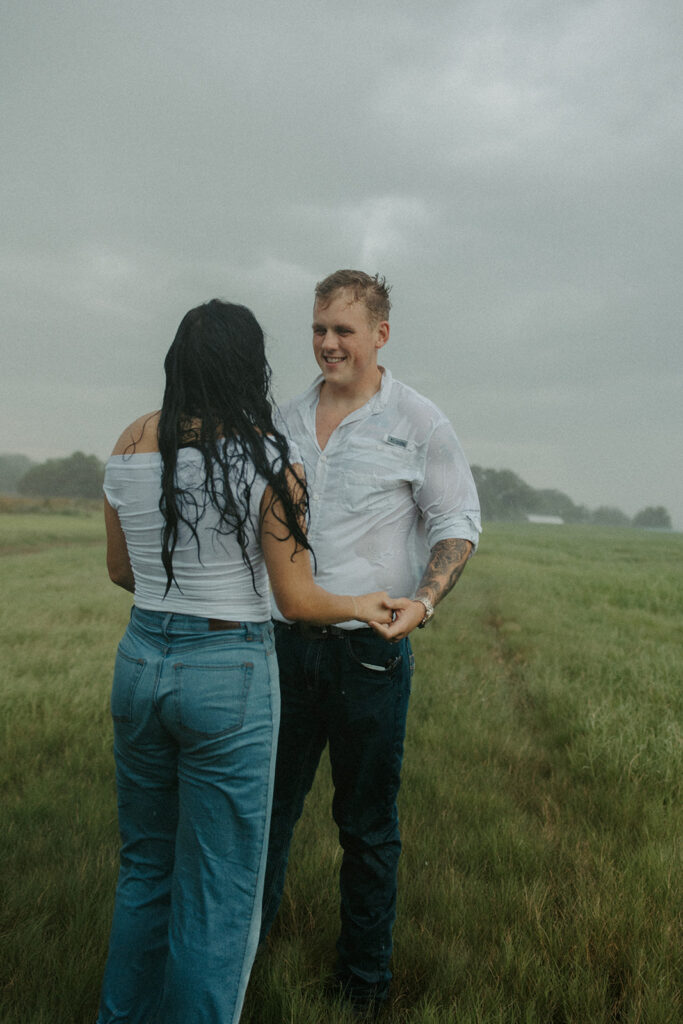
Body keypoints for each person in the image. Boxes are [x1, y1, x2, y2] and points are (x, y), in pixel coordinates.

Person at [96, 299, 395, 1024]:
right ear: (247, 367)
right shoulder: (267, 457)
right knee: (221, 886)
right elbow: (295, 601)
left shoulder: (132, 442)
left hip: (140, 661)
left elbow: (121, 571)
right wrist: (364, 603)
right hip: (225, 671)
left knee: (145, 870)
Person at [260, 270, 481, 1015]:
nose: (326, 342)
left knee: (366, 828)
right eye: (319, 327)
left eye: (342, 330)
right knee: (265, 814)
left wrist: (422, 602)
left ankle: (362, 987)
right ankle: (243, 963)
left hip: (369, 654)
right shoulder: (280, 419)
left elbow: (456, 526)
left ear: (379, 335)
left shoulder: (420, 423)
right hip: (283, 648)